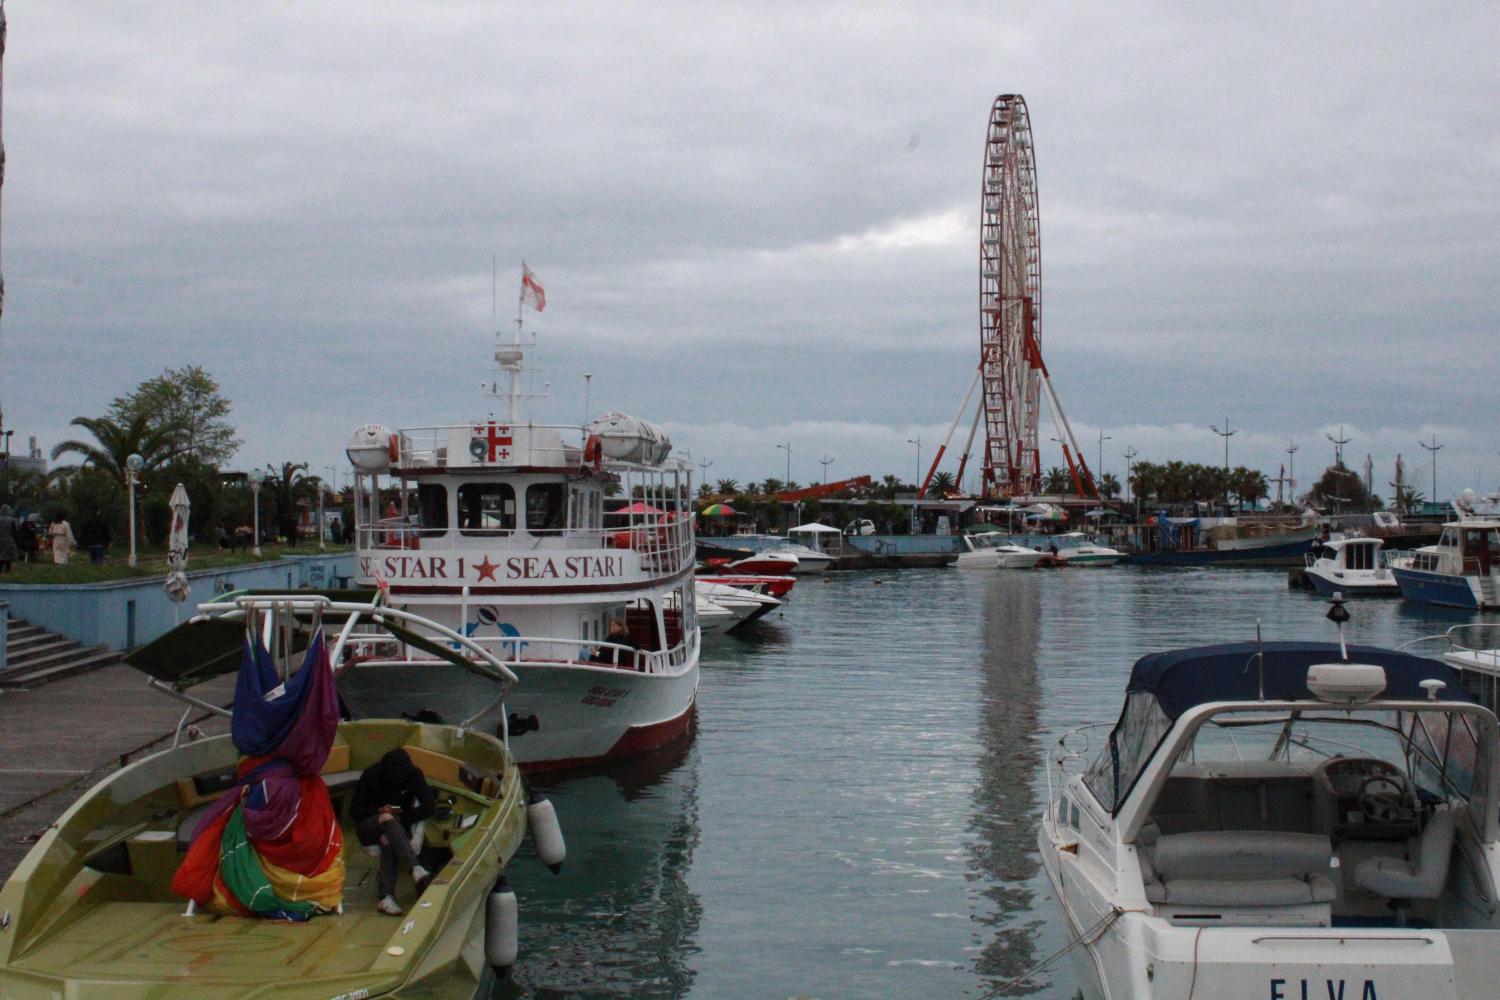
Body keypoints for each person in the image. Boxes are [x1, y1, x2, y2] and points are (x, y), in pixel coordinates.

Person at [351, 748, 436, 916]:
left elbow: (428, 807)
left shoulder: (413, 775)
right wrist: (379, 810)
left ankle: (386, 897)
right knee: (386, 819)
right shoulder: (371, 775)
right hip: (369, 825)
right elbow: (355, 811)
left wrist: (402, 817)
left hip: (397, 825)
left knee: (389, 839)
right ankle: (416, 868)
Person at [0, 505, 19, 572]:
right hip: (8, 539)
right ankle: (7, 569)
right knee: (8, 555)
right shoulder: (12, 520)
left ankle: (1, 568)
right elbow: (15, 531)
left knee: (1, 555)